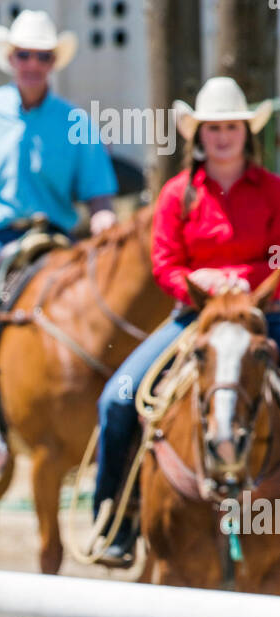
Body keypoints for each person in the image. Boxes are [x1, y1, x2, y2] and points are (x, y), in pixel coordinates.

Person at [94, 77, 280, 566]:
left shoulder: (273, 191)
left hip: (262, 318)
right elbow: (164, 264)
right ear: (198, 134)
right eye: (212, 127)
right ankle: (118, 520)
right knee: (117, 398)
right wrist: (200, 284)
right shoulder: (178, 194)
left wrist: (238, 280)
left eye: (231, 127)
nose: (222, 136)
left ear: (246, 132)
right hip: (194, 319)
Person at [0, 8, 117, 319]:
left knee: (89, 311)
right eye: (24, 55)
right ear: (10, 59)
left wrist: (103, 217)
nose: (33, 64)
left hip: (54, 237)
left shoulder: (77, 123)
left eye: (43, 56)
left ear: (53, 62)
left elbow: (97, 190)